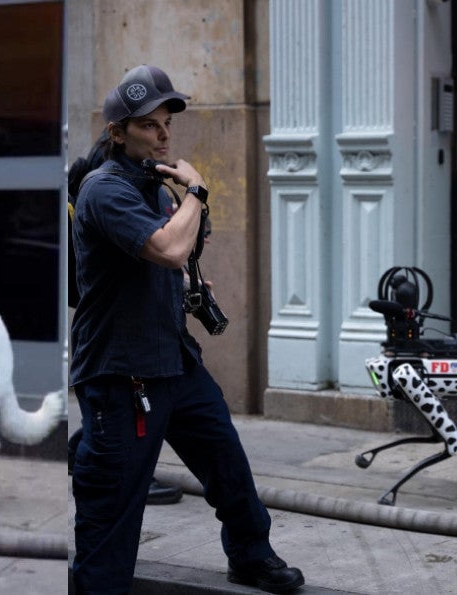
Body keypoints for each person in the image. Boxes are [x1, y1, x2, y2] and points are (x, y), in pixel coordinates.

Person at [69, 65, 304, 594]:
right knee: (111, 508)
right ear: (117, 131)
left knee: (229, 468)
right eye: (150, 125)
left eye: (166, 123)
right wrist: (197, 190)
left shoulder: (154, 186)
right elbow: (169, 246)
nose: (164, 134)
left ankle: (250, 555)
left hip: (174, 359)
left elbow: (171, 259)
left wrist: (190, 282)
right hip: (122, 374)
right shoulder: (104, 190)